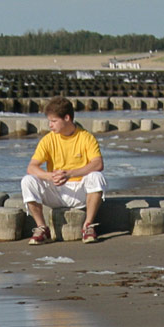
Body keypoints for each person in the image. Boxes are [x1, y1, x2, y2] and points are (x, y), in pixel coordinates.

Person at [21, 96, 107, 245]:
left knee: (97, 176)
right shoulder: (48, 140)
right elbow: (31, 167)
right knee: (27, 180)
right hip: (56, 189)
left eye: (54, 121)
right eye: (49, 121)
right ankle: (42, 228)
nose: (50, 125)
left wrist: (70, 174)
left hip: (79, 190)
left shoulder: (86, 137)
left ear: (67, 118)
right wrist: (49, 176)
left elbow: (98, 163)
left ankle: (88, 226)